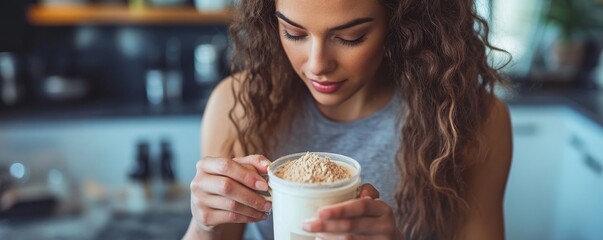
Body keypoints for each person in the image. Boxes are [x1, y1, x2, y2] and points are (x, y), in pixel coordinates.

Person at [183, 0, 512, 239]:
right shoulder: (240, 105)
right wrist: (203, 224)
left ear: (399, 23)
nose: (317, 65)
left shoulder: (469, 120)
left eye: (351, 37)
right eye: (294, 33)